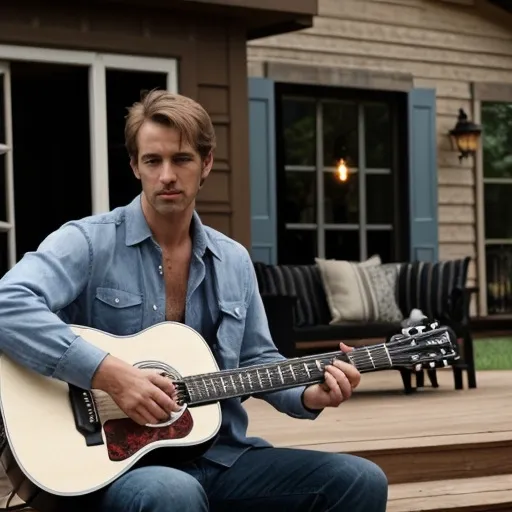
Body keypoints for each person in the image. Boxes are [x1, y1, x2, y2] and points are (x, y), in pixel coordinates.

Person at [0, 90, 388, 511]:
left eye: (181, 159)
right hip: (117, 464)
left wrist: (309, 394)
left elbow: (257, 360)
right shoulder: (89, 242)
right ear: (135, 166)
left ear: (205, 163)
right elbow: (7, 303)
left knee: (359, 481)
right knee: (172, 494)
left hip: (221, 455)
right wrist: (110, 375)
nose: (167, 175)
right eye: (153, 161)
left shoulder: (234, 260)